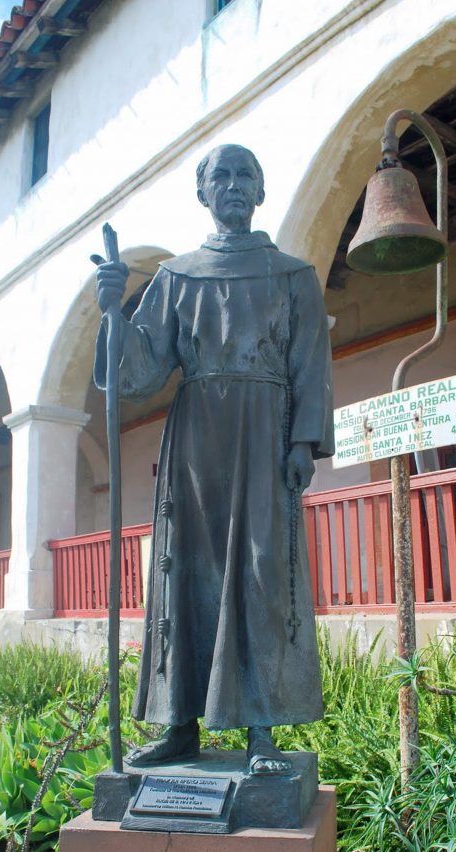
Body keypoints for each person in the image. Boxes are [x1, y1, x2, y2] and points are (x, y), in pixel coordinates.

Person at [94, 144, 334, 775]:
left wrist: (304, 441)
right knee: (187, 573)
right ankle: (179, 725)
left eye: (244, 175)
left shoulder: (293, 275)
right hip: (196, 442)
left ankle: (261, 730)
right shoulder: (176, 277)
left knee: (261, 571)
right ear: (203, 193)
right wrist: (113, 311)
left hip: (265, 433)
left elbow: (310, 362)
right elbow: (139, 371)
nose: (232, 185)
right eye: (219, 176)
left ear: (260, 190)